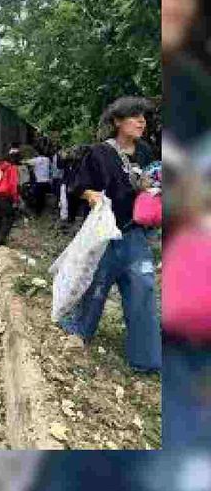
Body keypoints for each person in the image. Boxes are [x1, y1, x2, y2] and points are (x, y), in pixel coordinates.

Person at [59, 96, 161, 373]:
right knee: (96, 285)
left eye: (144, 116)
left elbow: (150, 181)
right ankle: (79, 331)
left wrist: (151, 190)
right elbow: (79, 186)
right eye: (134, 116)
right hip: (105, 234)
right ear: (117, 121)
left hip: (135, 232)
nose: (142, 121)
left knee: (144, 289)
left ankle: (147, 359)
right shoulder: (99, 153)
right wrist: (93, 196)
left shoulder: (146, 152)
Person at [0, 148, 22, 248]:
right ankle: (1, 240)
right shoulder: (12, 168)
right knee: (9, 218)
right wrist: (16, 199)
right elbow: (13, 185)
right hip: (4, 196)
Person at [28, 148, 52, 216]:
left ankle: (38, 213)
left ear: (37, 153)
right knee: (42, 197)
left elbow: (26, 162)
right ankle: (42, 210)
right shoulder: (48, 159)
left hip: (39, 182)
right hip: (46, 182)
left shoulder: (36, 160)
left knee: (38, 198)